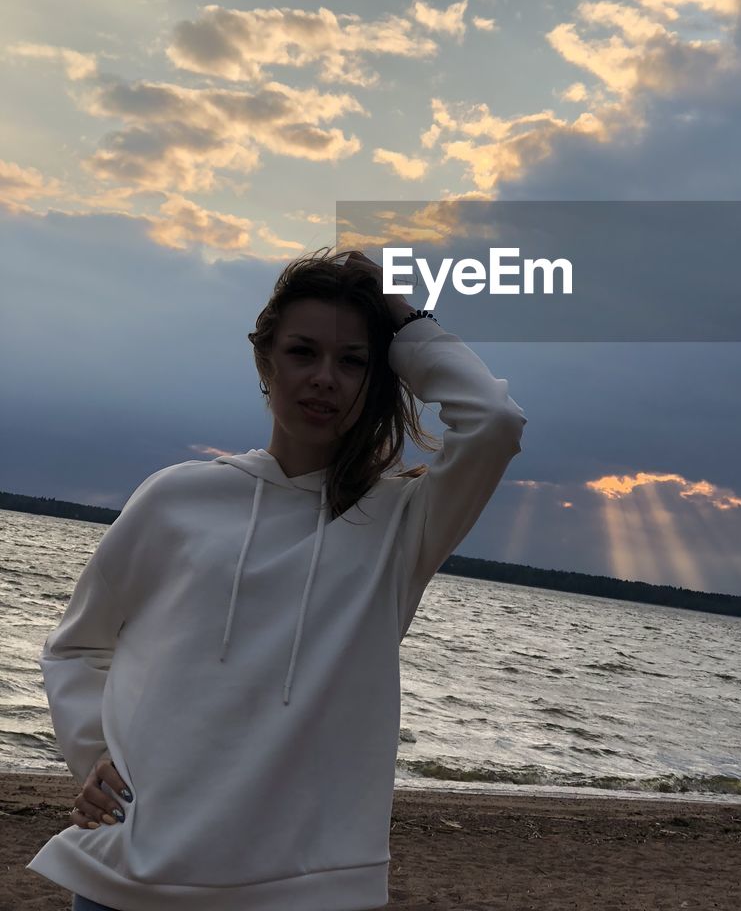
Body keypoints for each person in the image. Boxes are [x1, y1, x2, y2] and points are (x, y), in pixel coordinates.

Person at [26, 247, 527, 911]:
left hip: (305, 888)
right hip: (127, 877)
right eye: (303, 353)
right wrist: (92, 750)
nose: (325, 378)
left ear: (379, 379)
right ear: (265, 360)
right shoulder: (175, 499)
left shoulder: (400, 525)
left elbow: (493, 421)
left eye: (353, 362)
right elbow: (77, 646)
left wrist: (403, 319)